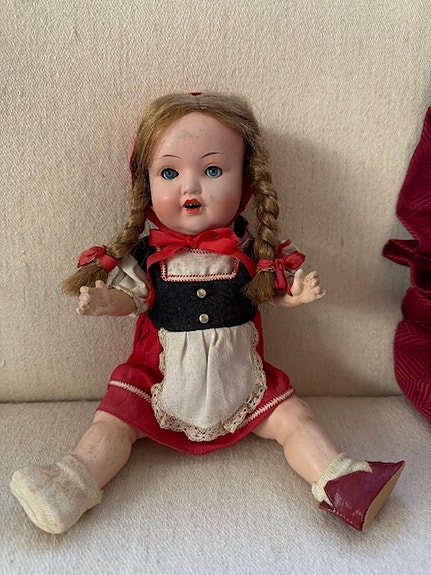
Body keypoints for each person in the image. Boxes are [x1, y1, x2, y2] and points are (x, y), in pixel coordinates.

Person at [11, 92, 404, 534]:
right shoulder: (146, 256)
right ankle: (69, 485)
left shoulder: (253, 250)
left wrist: (292, 296)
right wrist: (109, 302)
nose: (190, 187)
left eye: (213, 170)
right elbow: (133, 299)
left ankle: (342, 482)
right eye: (169, 172)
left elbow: (269, 291)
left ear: (246, 181)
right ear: (145, 184)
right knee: (113, 423)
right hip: (158, 381)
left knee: (296, 418)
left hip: (242, 379)